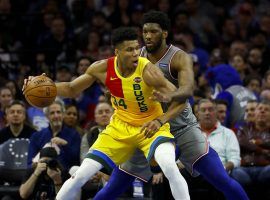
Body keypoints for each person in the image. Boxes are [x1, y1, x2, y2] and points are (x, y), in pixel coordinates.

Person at [94, 10, 249, 200]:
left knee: (222, 180)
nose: (148, 36)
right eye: (145, 32)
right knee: (112, 188)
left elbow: (187, 90)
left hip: (181, 127)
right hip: (148, 131)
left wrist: (170, 96)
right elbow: (118, 81)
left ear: (165, 33)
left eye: (153, 31)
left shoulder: (178, 57)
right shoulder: (134, 56)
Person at [24, 27, 190, 200]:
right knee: (79, 176)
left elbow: (182, 99)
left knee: (170, 167)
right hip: (119, 128)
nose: (135, 53)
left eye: (136, 48)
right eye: (129, 49)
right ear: (117, 52)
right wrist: (42, 86)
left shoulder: (149, 71)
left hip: (150, 127)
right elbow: (72, 89)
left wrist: (161, 119)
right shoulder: (101, 68)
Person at [27, 99, 81, 170]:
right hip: (42, 175)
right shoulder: (37, 136)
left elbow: (77, 161)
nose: (56, 116)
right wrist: (36, 164)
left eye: (58, 112)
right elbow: (29, 164)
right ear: (46, 116)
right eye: (52, 113)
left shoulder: (74, 135)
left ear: (63, 114)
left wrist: (65, 145)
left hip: (66, 176)